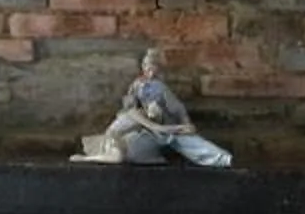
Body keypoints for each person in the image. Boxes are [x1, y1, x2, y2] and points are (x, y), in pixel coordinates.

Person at [84, 48, 232, 167]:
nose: (150, 69)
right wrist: (147, 120)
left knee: (185, 140)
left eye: (153, 66)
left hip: (161, 124)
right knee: (128, 139)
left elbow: (177, 109)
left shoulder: (161, 88)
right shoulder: (136, 86)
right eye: (146, 66)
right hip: (142, 124)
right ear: (142, 67)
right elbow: (130, 108)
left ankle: (219, 158)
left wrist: (184, 123)